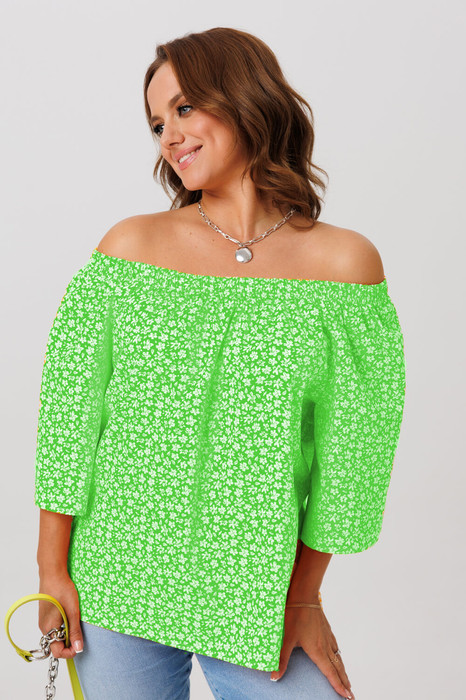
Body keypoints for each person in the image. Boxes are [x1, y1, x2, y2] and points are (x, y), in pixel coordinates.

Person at [34, 27, 406, 700]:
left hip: (256, 591)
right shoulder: (129, 249)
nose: (169, 136)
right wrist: (52, 571)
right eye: (156, 124)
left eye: (184, 108)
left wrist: (305, 598)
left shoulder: (345, 266)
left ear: (245, 97)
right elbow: (70, 418)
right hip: (114, 581)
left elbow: (353, 457)